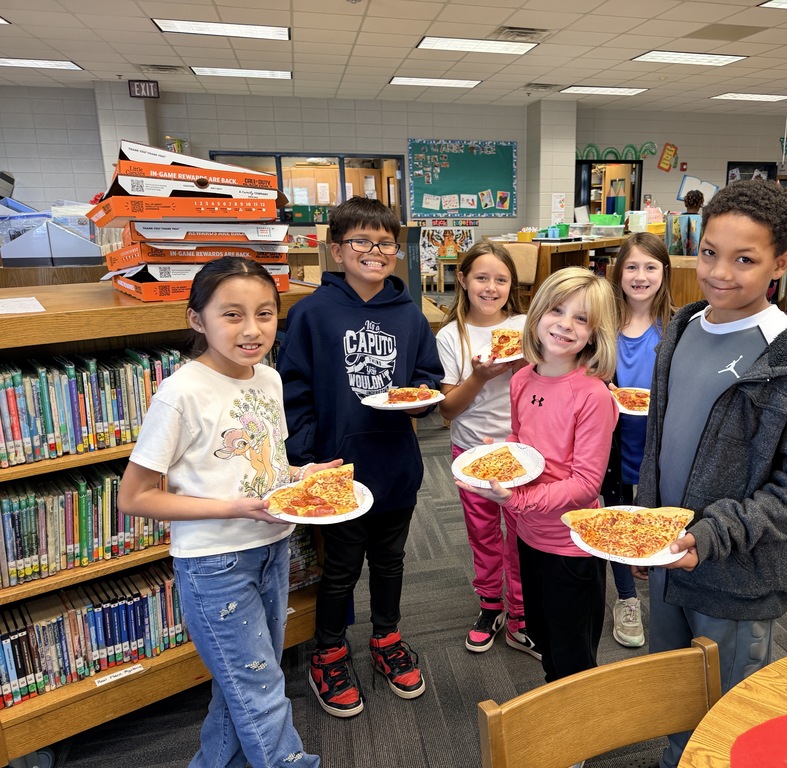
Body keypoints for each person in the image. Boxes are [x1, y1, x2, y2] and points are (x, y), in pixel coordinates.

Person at [635, 179, 787, 768]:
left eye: (745, 260)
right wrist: (645, 518)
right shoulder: (683, 326)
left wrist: (714, 534)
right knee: (673, 695)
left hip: (735, 576)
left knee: (725, 714)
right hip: (668, 558)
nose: (719, 272)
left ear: (782, 262)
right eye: (710, 252)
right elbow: (666, 437)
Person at [118, 257, 330, 768]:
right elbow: (134, 497)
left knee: (242, 684)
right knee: (261, 688)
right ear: (197, 319)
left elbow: (266, 463)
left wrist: (303, 476)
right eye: (232, 314)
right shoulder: (181, 392)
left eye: (265, 313)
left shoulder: (268, 379)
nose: (252, 329)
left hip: (272, 549)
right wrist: (232, 508)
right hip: (216, 564)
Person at [277, 196, 444, 718]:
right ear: (336, 250)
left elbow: (427, 378)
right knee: (341, 567)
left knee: (391, 561)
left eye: (386, 243)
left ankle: (387, 636)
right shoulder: (311, 314)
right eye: (361, 241)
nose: (375, 251)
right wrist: (306, 460)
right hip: (338, 469)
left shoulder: (410, 315)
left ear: (397, 251)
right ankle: (328, 651)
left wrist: (421, 398)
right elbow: (293, 393)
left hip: (395, 463)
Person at [456, 267, 619, 686]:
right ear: (538, 313)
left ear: (595, 333)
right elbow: (522, 439)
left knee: (573, 656)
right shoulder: (523, 378)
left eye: (581, 318)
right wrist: (502, 453)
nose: (565, 324)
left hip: (572, 545)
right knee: (545, 638)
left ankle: (574, 721)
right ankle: (553, 706)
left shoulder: (593, 395)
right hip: (529, 537)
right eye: (556, 310)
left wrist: (518, 501)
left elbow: (586, 484)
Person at [435, 241, 535, 657]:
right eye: (481, 277)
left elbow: (548, 383)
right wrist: (479, 376)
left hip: (523, 452)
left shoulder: (527, 325)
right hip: (471, 450)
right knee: (482, 533)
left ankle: (521, 614)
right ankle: (491, 605)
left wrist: (524, 363)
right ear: (462, 280)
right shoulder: (450, 335)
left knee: (521, 534)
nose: (491, 288)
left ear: (512, 285)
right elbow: (447, 410)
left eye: (501, 279)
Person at [601, 232, 673, 648]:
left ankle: (664, 591)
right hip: (612, 442)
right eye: (631, 267)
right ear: (618, 273)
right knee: (618, 515)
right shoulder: (602, 324)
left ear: (664, 272)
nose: (640, 276)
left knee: (657, 515)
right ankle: (626, 598)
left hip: (658, 444)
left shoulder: (677, 327)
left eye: (650, 267)